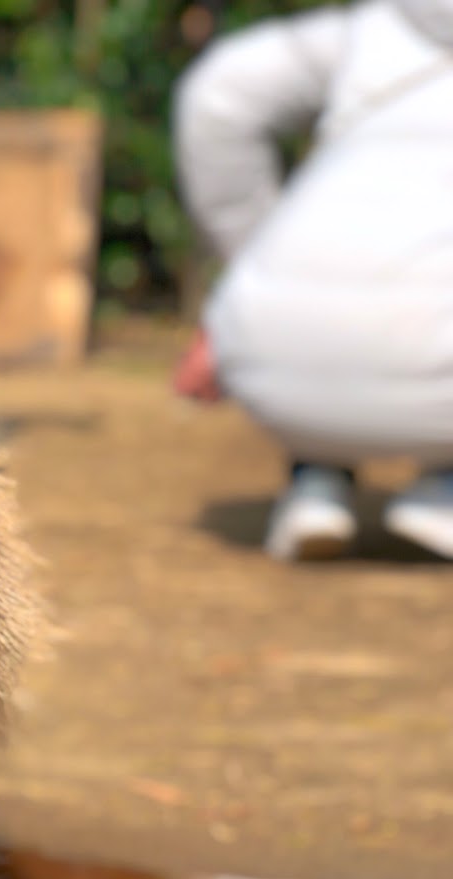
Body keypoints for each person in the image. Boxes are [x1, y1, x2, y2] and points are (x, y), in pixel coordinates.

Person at [172, 0, 453, 560]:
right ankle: (443, 489)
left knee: (331, 306)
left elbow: (215, 99)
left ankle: (315, 485)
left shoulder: (367, 30)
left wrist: (247, 271)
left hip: (278, 352)